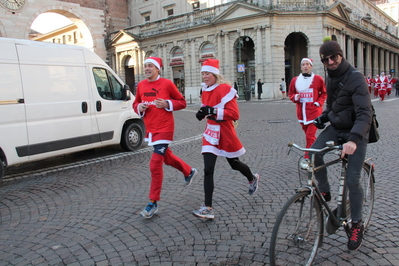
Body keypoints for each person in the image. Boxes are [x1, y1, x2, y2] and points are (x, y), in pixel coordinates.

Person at [313, 38, 373, 250]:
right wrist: (323, 117)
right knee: (313, 153)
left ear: (341, 55)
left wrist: (354, 140)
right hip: (337, 128)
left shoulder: (356, 78)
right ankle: (325, 191)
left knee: (353, 179)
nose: (330, 62)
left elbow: (365, 114)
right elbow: (333, 107)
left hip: (357, 132)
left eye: (333, 57)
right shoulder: (330, 76)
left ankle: (356, 224)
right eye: (326, 59)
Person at [193, 59, 260, 219]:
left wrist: (213, 110)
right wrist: (202, 113)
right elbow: (207, 109)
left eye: (207, 73)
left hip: (225, 132)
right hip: (210, 133)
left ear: (215, 74)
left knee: (234, 164)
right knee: (208, 170)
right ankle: (207, 207)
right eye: (203, 73)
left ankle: (252, 178)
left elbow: (234, 114)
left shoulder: (225, 89)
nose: (204, 76)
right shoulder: (204, 89)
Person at [133, 56, 198, 219]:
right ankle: (188, 171)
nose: (146, 68)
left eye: (150, 66)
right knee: (166, 157)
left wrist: (167, 104)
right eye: (145, 66)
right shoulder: (140, 85)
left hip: (165, 128)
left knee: (155, 164)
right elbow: (136, 104)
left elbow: (182, 102)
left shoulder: (167, 84)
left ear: (157, 69)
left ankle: (152, 203)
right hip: (150, 129)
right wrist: (139, 107)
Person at [288, 58, 326, 160]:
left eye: (307, 64)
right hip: (301, 114)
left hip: (314, 113)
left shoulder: (318, 79)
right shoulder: (295, 80)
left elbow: (324, 93)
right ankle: (318, 149)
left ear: (311, 66)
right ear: (301, 67)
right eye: (303, 64)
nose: (305, 66)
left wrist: (318, 102)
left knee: (310, 137)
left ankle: (307, 158)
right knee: (310, 137)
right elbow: (291, 94)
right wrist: (295, 97)